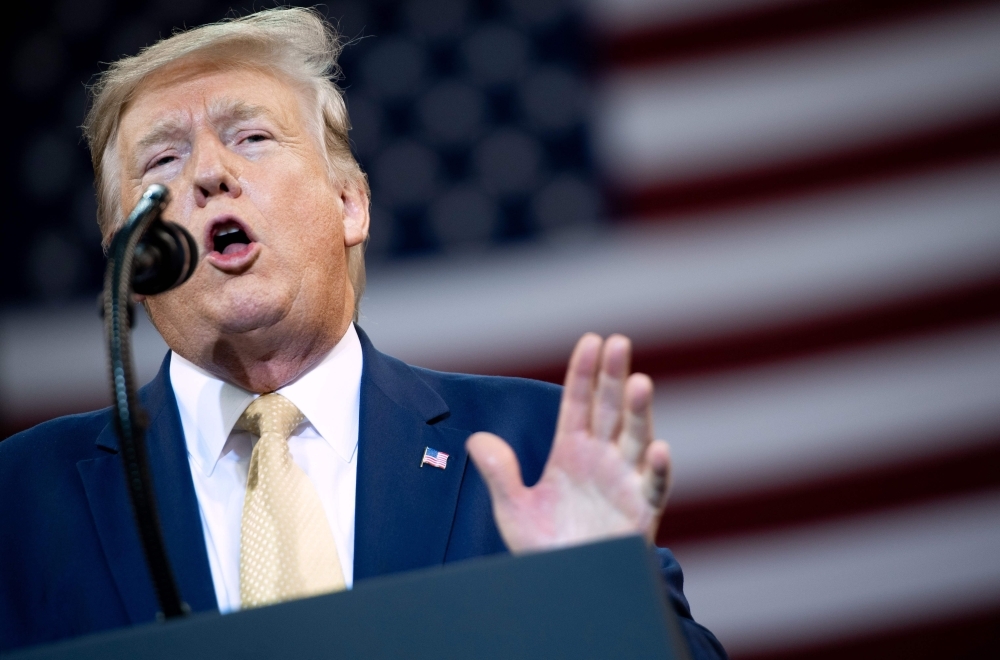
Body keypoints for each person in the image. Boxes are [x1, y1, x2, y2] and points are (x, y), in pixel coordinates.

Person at [0, 8, 726, 658]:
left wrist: (603, 597)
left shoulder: (527, 444)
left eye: (250, 137)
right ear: (125, 247)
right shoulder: (22, 500)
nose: (209, 173)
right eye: (163, 161)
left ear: (350, 203)